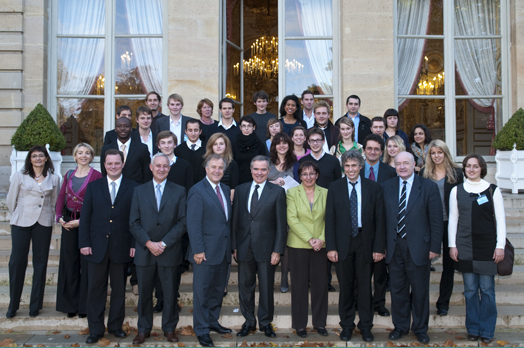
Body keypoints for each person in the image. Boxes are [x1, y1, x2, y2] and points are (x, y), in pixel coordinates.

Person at [381, 152, 443, 344]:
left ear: (414, 164)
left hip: (419, 247)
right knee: (398, 290)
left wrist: (434, 247)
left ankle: (420, 328)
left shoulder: (428, 187)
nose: (401, 167)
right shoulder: (386, 187)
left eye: (405, 163)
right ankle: (400, 326)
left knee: (420, 291)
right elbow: (381, 220)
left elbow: (436, 221)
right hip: (394, 246)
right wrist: (381, 246)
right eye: (398, 164)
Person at [79, 149, 139, 344]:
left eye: (117, 163)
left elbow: (135, 219)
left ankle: (115, 326)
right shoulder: (94, 187)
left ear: (122, 164)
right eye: (109, 163)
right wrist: (84, 243)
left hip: (121, 246)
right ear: (104, 165)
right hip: (96, 247)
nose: (113, 166)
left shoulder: (133, 187)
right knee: (95, 290)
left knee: (119, 290)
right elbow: (85, 217)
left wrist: (133, 243)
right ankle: (95, 329)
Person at [325, 150, 385, 342]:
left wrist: (378, 247)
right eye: (347, 165)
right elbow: (330, 219)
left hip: (365, 241)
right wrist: (331, 247)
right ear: (343, 167)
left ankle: (366, 326)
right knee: (346, 286)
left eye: (354, 165)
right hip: (343, 244)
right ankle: (347, 326)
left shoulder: (373, 188)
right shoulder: (334, 187)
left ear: (361, 166)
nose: (351, 169)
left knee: (365, 286)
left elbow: (380, 220)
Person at [129, 153, 187, 344]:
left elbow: (182, 222)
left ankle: (169, 328)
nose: (162, 169)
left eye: (165, 166)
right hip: (145, 251)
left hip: (169, 250)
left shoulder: (179, 191)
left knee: (170, 293)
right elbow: (134, 223)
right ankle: (143, 329)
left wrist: (163, 243)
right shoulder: (139, 191)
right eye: (158, 165)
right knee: (144, 294)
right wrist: (148, 243)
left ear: (169, 168)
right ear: (151, 167)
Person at [448, 154, 505, 344]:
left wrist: (500, 246)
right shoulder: (456, 191)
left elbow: (501, 221)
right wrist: (452, 245)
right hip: (464, 246)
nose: (471, 169)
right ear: (464, 169)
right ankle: (473, 328)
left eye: (476, 166)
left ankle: (487, 330)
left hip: (487, 247)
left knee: (487, 290)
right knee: (470, 290)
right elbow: (453, 221)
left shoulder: (492, 191)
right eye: (468, 166)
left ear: (482, 168)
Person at [232, 155, 287, 338]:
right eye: (256, 169)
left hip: (267, 248)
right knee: (245, 287)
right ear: (250, 170)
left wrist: (278, 250)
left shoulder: (277, 192)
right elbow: (235, 221)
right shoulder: (240, 190)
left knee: (265, 287)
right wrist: (234, 246)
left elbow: (281, 224)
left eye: (263, 169)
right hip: (244, 247)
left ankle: (265, 322)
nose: (259, 172)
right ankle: (249, 322)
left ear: (269, 171)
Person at [6, 145, 60, 319]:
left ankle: (35, 306)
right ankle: (13, 305)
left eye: (41, 156)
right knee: (17, 263)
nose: (37, 158)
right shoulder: (19, 176)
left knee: (40, 263)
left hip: (43, 223)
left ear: (46, 158)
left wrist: (51, 217)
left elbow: (54, 202)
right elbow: (10, 199)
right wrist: (16, 215)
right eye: (34, 156)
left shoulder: (54, 178)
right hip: (21, 222)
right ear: (30, 159)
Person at [187, 154, 233, 347]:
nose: (217, 170)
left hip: (222, 252)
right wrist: (198, 250)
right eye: (213, 167)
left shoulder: (224, 189)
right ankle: (202, 329)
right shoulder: (197, 190)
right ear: (206, 169)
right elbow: (193, 223)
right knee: (202, 293)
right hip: (204, 253)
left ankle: (213, 322)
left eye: (220, 167)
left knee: (217, 291)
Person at [55, 143, 102, 319]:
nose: (83, 156)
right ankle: (70, 305)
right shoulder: (68, 174)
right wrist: (59, 216)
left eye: (87, 153)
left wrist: (81, 222)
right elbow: (61, 196)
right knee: (69, 264)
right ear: (74, 156)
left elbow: (99, 202)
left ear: (91, 156)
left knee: (86, 264)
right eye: (80, 153)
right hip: (68, 222)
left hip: (87, 222)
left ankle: (84, 306)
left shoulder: (97, 176)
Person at [420, 140, 463, 317]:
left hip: (450, 224)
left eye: (440, 152)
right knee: (422, 263)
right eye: (433, 153)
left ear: (445, 153)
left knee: (449, 265)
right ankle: (418, 298)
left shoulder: (457, 173)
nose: (436, 156)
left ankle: (443, 303)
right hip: (428, 224)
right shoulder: (424, 173)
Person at [286, 161, 328, 338]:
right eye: (304, 174)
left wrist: (322, 239)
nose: (308, 177)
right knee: (299, 286)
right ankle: (300, 325)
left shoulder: (326, 192)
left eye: (312, 173)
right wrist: (310, 239)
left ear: (317, 175)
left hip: (321, 246)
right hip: (298, 245)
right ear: (299, 176)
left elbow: (330, 218)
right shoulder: (292, 192)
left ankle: (320, 324)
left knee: (320, 286)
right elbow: (292, 219)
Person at [359, 134, 397, 317]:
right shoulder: (355, 170)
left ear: (381, 152)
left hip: (383, 227)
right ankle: (363, 302)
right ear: (364, 150)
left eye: (376, 149)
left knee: (381, 271)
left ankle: (379, 303)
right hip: (360, 229)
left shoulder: (390, 172)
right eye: (369, 148)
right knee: (362, 271)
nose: (372, 152)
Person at [100, 117, 152, 184]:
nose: (122, 129)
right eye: (119, 126)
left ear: (131, 129)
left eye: (126, 126)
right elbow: (104, 172)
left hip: (136, 190)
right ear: (115, 129)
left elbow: (146, 173)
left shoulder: (142, 148)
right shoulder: (106, 149)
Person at [204, 132, 239, 201]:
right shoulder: (205, 162)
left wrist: (229, 202)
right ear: (211, 147)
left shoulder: (233, 164)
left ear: (226, 147)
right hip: (208, 198)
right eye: (215, 144)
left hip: (226, 198)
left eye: (221, 144)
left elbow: (233, 186)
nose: (218, 146)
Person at [233, 115, 267, 184]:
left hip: (257, 181)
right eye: (244, 126)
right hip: (239, 182)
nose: (246, 128)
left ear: (254, 127)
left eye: (249, 126)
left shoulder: (260, 145)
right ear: (240, 127)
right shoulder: (234, 144)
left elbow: (264, 165)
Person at [174, 119, 207, 183]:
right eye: (190, 130)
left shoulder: (207, 148)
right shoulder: (178, 150)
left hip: (204, 187)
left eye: (196, 130)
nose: (193, 133)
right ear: (185, 131)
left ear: (200, 131)